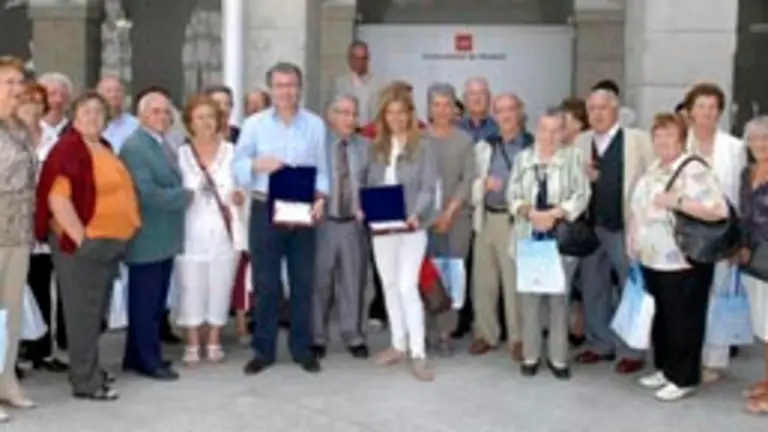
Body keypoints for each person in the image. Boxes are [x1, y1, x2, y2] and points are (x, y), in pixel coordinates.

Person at [36, 91, 140, 401]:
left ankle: (89, 369)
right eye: (86, 112)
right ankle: (85, 381)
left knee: (95, 315)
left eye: (98, 112)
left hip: (109, 243)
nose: (93, 117)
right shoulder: (68, 149)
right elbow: (57, 198)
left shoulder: (103, 147)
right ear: (74, 117)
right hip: (83, 246)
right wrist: (82, 240)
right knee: (82, 314)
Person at [233, 62, 328, 375]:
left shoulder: (315, 124)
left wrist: (321, 198)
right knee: (266, 283)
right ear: (270, 89)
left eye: (291, 85)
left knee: (303, 282)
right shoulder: (255, 124)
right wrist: (257, 165)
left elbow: (323, 171)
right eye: (280, 85)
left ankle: (302, 349)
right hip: (265, 208)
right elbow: (237, 167)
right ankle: (264, 350)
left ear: (300, 87)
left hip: (302, 210)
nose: (286, 91)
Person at [629, 112, 727, 401]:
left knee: (683, 319)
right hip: (653, 257)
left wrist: (679, 201)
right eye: (658, 135)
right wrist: (633, 238)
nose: (662, 141)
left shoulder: (694, 168)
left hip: (683, 259)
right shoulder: (655, 167)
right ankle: (665, 368)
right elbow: (640, 206)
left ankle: (684, 377)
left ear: (682, 138)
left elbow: (717, 209)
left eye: (669, 135)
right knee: (663, 317)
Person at [573, 87, 653, 375]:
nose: (596, 113)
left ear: (616, 110)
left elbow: (653, 179)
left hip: (625, 228)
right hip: (590, 228)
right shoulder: (580, 141)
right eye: (592, 108)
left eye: (602, 108)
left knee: (632, 289)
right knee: (593, 288)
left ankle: (634, 351)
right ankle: (600, 344)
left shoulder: (638, 140)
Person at [507, 107, 591, 379]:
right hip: (529, 237)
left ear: (564, 132)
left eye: (556, 129)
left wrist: (555, 214)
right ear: (537, 129)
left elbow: (582, 195)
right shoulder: (523, 159)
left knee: (559, 300)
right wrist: (530, 213)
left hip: (560, 240)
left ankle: (558, 359)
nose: (549, 135)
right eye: (544, 129)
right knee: (529, 301)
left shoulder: (574, 158)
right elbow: (512, 195)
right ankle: (531, 356)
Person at [364, 88, 437, 381]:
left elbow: (428, 187)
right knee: (390, 285)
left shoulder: (424, 147)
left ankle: (418, 353)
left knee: (408, 286)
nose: (395, 118)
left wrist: (416, 213)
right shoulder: (376, 147)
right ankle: (398, 345)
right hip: (382, 227)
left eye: (401, 112)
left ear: (410, 114)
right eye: (390, 112)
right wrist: (364, 209)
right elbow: (369, 182)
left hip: (411, 226)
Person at [119, 87, 189, 381]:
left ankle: (136, 356)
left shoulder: (162, 143)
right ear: (141, 115)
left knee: (154, 301)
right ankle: (149, 360)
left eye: (166, 111)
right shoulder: (135, 146)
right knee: (145, 303)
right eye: (156, 111)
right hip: (147, 237)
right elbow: (146, 193)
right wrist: (184, 196)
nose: (163, 116)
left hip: (163, 237)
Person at [682, 83, 747, 383]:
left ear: (719, 112)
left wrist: (739, 241)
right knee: (685, 297)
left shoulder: (734, 148)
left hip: (721, 231)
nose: (706, 113)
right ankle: (685, 356)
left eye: (712, 107)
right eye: (701, 107)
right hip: (684, 230)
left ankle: (714, 359)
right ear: (690, 111)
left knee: (718, 293)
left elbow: (743, 195)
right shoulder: (680, 143)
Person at [175, 95, 243, 365]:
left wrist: (240, 195)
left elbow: (243, 184)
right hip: (190, 229)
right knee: (190, 285)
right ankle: (192, 341)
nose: (205, 122)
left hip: (224, 229)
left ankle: (214, 338)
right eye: (200, 117)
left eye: (211, 117)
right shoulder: (180, 154)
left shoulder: (232, 151)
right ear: (190, 122)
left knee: (220, 284)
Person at [468, 93, 532, 360]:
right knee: (483, 282)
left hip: (513, 221)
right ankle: (486, 333)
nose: (505, 116)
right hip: (486, 219)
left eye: (510, 110)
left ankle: (518, 338)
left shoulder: (532, 147)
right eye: (500, 111)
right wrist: (482, 186)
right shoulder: (485, 146)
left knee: (514, 283)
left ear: (520, 112)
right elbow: (470, 182)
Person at [311, 93, 370, 360]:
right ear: (330, 115)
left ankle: (353, 334)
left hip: (353, 224)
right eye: (343, 113)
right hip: (323, 223)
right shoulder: (316, 145)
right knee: (319, 282)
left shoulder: (366, 147)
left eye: (353, 113)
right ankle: (317, 336)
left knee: (353, 282)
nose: (350, 119)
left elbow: (374, 182)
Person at [16, 82, 68, 373]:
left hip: (46, 222)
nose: (33, 106)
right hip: (14, 223)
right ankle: (12, 356)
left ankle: (42, 350)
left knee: (43, 283)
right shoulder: (9, 135)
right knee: (13, 291)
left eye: (38, 101)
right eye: (27, 100)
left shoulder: (54, 139)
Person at [424, 83, 474, 356]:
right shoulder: (419, 138)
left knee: (452, 276)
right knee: (427, 275)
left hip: (457, 218)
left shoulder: (465, 140)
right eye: (436, 105)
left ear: (455, 108)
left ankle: (446, 332)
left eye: (447, 105)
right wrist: (431, 215)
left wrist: (450, 211)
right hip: (424, 218)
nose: (442, 110)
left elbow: (468, 179)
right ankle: (426, 330)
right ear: (429, 108)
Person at [0, 55, 38, 422]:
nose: (16, 89)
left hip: (17, 230)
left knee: (9, 312)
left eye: (18, 82)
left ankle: (6, 379)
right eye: (8, 82)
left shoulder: (19, 127)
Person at [38, 71, 73, 352]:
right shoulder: (28, 129)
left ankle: (66, 339)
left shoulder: (74, 132)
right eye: (51, 94)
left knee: (67, 284)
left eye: (62, 94)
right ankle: (37, 346)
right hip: (34, 220)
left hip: (65, 220)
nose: (57, 100)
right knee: (37, 282)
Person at [735, 115, 768, 414]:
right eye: (754, 139)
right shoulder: (748, 173)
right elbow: (745, 214)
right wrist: (742, 246)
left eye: (765, 139)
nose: (759, 144)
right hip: (753, 256)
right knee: (763, 323)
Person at [559, 96, 590, 347]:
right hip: (557, 227)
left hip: (575, 227)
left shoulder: (582, 153)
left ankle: (571, 330)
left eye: (565, 120)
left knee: (569, 284)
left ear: (579, 124)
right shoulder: (554, 149)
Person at [328, 41, 380, 125]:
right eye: (356, 58)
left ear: (368, 59)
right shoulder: (339, 83)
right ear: (349, 59)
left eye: (363, 58)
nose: (360, 62)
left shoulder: (378, 84)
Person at [97, 76, 139, 153]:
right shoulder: (92, 126)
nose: (113, 95)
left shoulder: (136, 125)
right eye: (108, 91)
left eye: (118, 91)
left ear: (124, 94)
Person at [459, 76, 498, 143]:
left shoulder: (499, 128)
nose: (477, 99)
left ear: (489, 98)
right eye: (472, 94)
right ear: (465, 99)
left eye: (481, 93)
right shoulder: (454, 129)